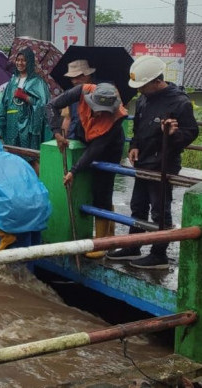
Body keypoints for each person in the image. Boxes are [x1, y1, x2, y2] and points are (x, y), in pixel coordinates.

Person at [106, 55, 199, 269]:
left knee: (160, 210)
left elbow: (189, 133)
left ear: (157, 81)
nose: (140, 90)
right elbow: (138, 127)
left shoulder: (179, 102)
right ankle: (134, 245)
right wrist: (134, 146)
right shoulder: (144, 99)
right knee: (138, 205)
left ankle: (159, 254)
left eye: (143, 86)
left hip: (163, 162)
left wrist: (173, 133)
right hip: (143, 161)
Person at [47, 82, 128, 258]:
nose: (98, 113)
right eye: (96, 108)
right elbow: (52, 105)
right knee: (92, 189)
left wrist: (73, 171)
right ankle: (109, 233)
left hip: (109, 148)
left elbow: (96, 150)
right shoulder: (81, 90)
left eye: (103, 111)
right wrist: (57, 133)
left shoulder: (116, 118)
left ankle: (101, 244)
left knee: (102, 188)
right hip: (85, 136)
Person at [59, 59, 97, 140]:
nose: (74, 81)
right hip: (73, 139)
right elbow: (67, 119)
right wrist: (63, 138)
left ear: (87, 75)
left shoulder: (100, 92)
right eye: (72, 78)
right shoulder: (70, 94)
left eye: (78, 77)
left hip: (94, 140)